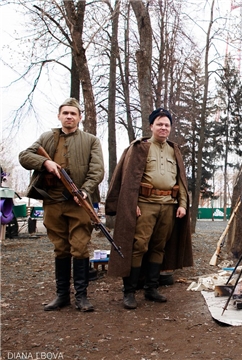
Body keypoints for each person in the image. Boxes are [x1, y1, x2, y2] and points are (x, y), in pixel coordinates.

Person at [19, 98, 104, 312]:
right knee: (60, 248)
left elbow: (97, 170)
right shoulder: (47, 138)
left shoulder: (91, 140)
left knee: (80, 247)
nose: (69, 117)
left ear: (79, 117)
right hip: (53, 202)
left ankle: (82, 296)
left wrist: (84, 191)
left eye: (73, 114)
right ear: (59, 116)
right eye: (65, 113)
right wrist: (45, 162)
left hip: (78, 203)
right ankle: (62, 295)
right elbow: (24, 156)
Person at [105, 108, 193, 310]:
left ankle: (151, 289)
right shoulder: (139, 148)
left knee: (158, 247)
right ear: (151, 126)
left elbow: (180, 180)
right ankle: (129, 291)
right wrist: (131, 204)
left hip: (168, 207)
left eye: (167, 125)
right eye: (160, 124)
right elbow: (128, 179)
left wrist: (181, 204)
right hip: (145, 205)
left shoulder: (174, 150)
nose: (163, 128)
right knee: (139, 246)